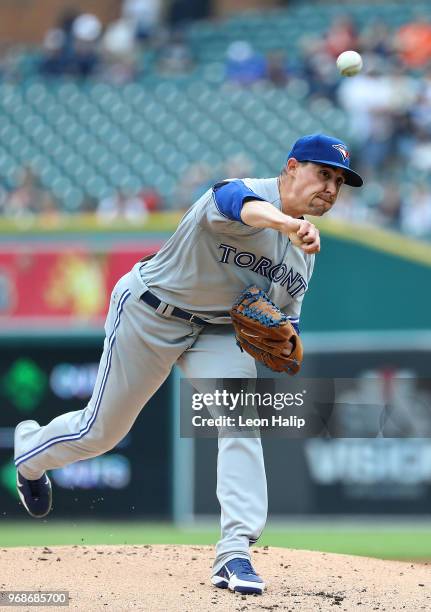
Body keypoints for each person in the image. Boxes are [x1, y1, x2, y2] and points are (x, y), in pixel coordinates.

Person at [14, 133, 363, 596]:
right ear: (293, 167)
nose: (332, 189)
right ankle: (30, 455)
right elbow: (236, 203)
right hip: (150, 312)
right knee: (99, 433)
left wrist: (283, 342)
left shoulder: (304, 255)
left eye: (340, 182)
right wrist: (283, 223)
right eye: (324, 174)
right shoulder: (242, 193)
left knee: (241, 419)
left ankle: (235, 551)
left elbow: (286, 325)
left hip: (217, 332)